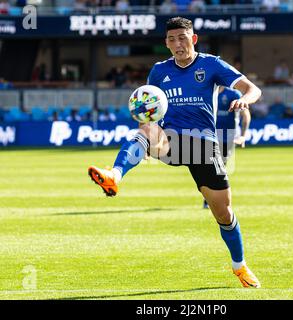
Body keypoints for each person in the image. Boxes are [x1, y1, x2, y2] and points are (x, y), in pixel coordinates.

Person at [88, 17, 261, 288]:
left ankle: (239, 266)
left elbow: (253, 89)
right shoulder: (158, 72)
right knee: (144, 130)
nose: (178, 43)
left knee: (224, 214)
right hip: (171, 141)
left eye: (183, 37)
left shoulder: (211, 64)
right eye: (172, 39)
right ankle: (114, 175)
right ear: (166, 43)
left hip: (203, 146)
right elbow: (148, 113)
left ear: (193, 39)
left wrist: (244, 100)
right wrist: (145, 142)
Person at [202, 86, 251, 209]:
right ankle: (209, 198)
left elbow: (246, 115)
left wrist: (243, 136)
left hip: (228, 136)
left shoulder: (234, 94)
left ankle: (214, 199)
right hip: (210, 135)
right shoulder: (206, 91)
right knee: (209, 166)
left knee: (220, 166)